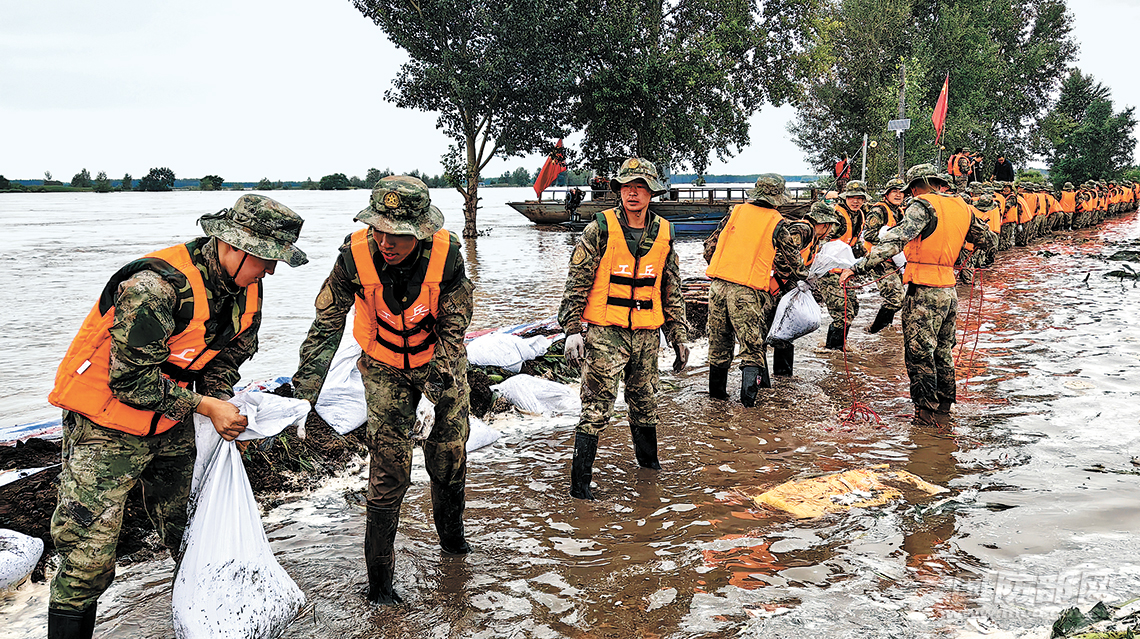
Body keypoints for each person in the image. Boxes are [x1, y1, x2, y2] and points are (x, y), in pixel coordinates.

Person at [46, 195, 307, 637]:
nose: (271, 271)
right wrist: (206, 407)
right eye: (266, 259)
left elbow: (230, 354)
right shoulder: (154, 287)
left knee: (192, 530)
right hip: (104, 428)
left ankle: (201, 622)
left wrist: (223, 403)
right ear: (234, 246)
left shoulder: (246, 288)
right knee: (87, 558)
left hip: (171, 423)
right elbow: (129, 381)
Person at [292, 176, 473, 604]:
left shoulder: (448, 259)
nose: (385, 241)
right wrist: (304, 395)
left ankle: (454, 550)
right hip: (384, 367)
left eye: (397, 233)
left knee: (448, 461)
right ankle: (379, 588)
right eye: (378, 229)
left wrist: (432, 392)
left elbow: (454, 331)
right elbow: (325, 327)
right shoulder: (352, 259)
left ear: (421, 231)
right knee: (388, 472)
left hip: (439, 366)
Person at [559, 157, 689, 500]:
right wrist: (573, 329)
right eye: (627, 186)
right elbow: (577, 281)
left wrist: (679, 336)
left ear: (652, 193)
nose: (633, 193)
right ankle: (580, 491)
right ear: (619, 190)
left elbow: (671, 288)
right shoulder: (599, 229)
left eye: (641, 187)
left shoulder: (664, 232)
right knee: (596, 409)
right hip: (605, 333)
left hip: (647, 335)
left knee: (646, 403)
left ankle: (650, 477)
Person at [839, 164, 996, 425]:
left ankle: (924, 416)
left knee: (919, 353)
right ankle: (944, 410)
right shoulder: (963, 207)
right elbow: (989, 241)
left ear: (915, 186)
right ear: (939, 182)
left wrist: (858, 267)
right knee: (943, 351)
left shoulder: (922, 205)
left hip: (923, 291)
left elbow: (895, 240)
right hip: (949, 290)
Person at [702, 174, 825, 405]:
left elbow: (710, 247)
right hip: (746, 293)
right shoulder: (777, 223)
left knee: (719, 346)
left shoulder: (734, 212)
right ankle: (750, 412)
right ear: (778, 198)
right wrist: (807, 280)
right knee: (752, 349)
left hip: (717, 287)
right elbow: (793, 261)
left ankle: (716, 406)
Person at [818, 180, 868, 349]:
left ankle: (836, 349)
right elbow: (819, 241)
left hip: (845, 271)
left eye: (860, 198)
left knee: (852, 307)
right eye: (853, 197)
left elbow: (855, 244)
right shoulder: (836, 216)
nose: (856, 201)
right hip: (829, 271)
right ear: (845, 197)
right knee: (842, 313)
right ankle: (834, 351)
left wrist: (871, 259)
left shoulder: (859, 215)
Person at [862, 178, 906, 333]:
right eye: (894, 191)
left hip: (894, 258)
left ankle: (886, 330)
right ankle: (873, 330)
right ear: (886, 194)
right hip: (879, 258)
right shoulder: (878, 211)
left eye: (901, 192)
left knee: (899, 296)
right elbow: (868, 235)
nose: (898, 195)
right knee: (896, 297)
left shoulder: (900, 212)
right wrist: (887, 237)